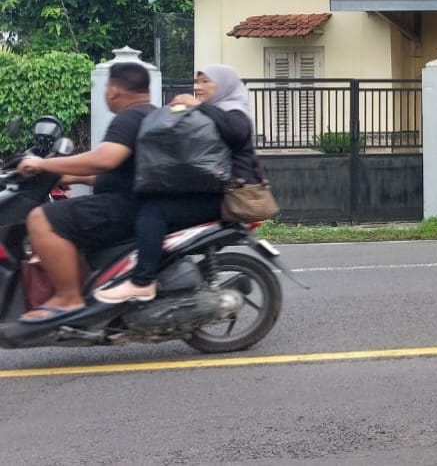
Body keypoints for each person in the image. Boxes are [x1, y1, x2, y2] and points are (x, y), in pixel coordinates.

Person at [94, 63, 261, 304]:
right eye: (197, 81)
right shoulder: (212, 113)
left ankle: (142, 282)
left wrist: (198, 107)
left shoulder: (235, 112)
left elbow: (235, 132)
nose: (198, 87)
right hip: (212, 189)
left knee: (154, 211)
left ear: (224, 85)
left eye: (206, 81)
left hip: (230, 196)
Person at [15, 62, 156, 322]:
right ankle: (89, 296)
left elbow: (104, 160)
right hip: (133, 203)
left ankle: (69, 299)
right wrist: (63, 175)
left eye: (105, 87)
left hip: (121, 207)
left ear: (113, 90)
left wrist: (44, 163)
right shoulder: (148, 115)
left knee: (41, 218)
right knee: (64, 224)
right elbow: (120, 174)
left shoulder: (129, 118)